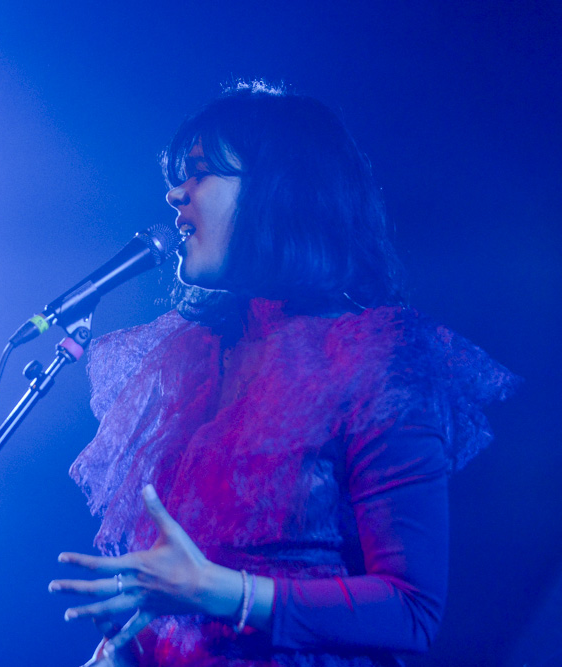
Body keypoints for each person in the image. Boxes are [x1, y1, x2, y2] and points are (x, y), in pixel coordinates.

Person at [47, 82, 518, 667]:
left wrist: (221, 591)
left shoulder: (372, 359)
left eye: (200, 173)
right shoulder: (194, 361)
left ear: (277, 192)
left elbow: (411, 610)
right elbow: (183, 586)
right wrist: (129, 649)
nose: (175, 193)